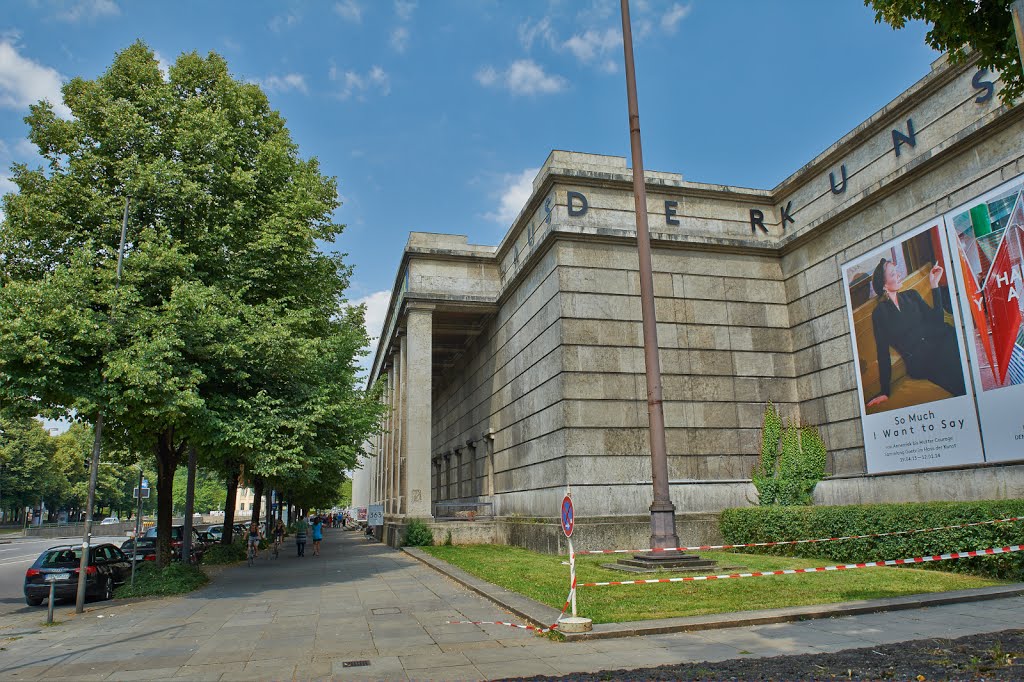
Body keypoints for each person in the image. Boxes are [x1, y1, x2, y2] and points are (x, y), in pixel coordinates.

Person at [866, 259, 966, 409]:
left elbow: (937, 321)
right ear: (884, 284)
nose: (899, 275)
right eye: (893, 274)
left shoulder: (912, 295)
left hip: (941, 341)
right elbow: (883, 353)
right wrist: (885, 391)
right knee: (956, 376)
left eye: (897, 271)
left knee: (960, 362)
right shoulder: (880, 314)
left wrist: (934, 285)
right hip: (921, 362)